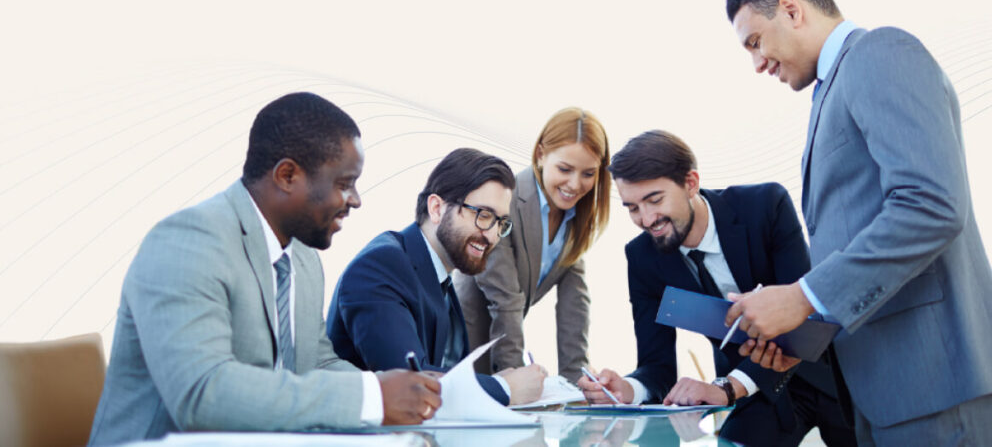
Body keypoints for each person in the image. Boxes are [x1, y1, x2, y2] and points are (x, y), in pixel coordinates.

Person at [724, 0, 992, 444]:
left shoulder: (880, 53)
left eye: (755, 42)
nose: (758, 63)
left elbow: (930, 204)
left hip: (934, 383)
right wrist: (805, 330)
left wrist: (804, 296)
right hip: (883, 389)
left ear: (792, 9)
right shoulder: (831, 89)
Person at [89, 93, 442, 446]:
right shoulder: (188, 241)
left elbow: (315, 363)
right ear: (287, 175)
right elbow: (202, 394)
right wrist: (371, 397)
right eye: (344, 183)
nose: (356, 200)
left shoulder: (302, 258)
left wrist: (403, 395)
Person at [577, 130, 854, 446]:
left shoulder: (766, 206)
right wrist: (628, 389)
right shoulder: (641, 258)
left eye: (655, 200)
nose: (647, 219)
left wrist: (726, 388)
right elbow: (657, 365)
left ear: (691, 183)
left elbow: (802, 323)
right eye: (632, 207)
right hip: (756, 393)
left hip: (828, 372)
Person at [327, 148, 546, 406]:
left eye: (501, 223)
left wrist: (498, 382)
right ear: (437, 208)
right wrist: (503, 387)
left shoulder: (438, 276)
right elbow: (409, 382)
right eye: (484, 215)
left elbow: (446, 374)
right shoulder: (381, 266)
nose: (492, 235)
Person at [454, 107, 611, 381]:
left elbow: (575, 305)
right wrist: (514, 374)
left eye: (588, 173)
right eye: (565, 169)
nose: (575, 184)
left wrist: (576, 381)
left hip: (499, 340)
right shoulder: (505, 200)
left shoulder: (575, 216)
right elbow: (505, 298)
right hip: (461, 343)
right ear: (540, 155)